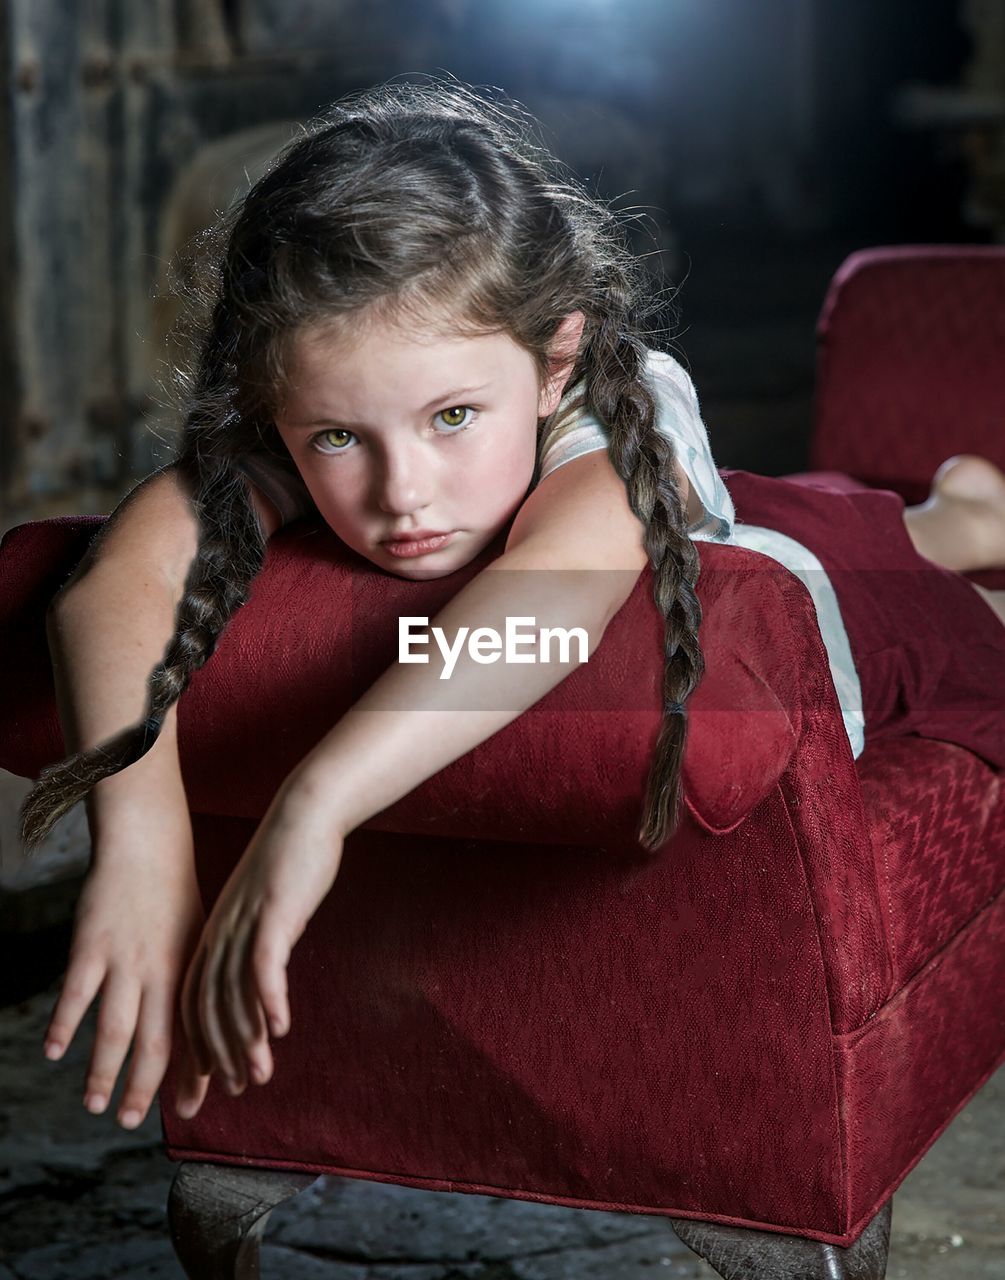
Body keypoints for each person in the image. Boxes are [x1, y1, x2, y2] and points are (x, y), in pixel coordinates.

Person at [18, 76, 1005, 1137]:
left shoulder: (621, 398)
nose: (404, 494)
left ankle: (962, 513)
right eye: (338, 440)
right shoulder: (349, 389)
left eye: (453, 416)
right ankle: (956, 508)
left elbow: (558, 590)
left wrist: (317, 801)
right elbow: (109, 588)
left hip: (808, 575)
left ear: (556, 361)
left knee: (915, 564)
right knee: (821, 511)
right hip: (716, 515)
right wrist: (140, 842)